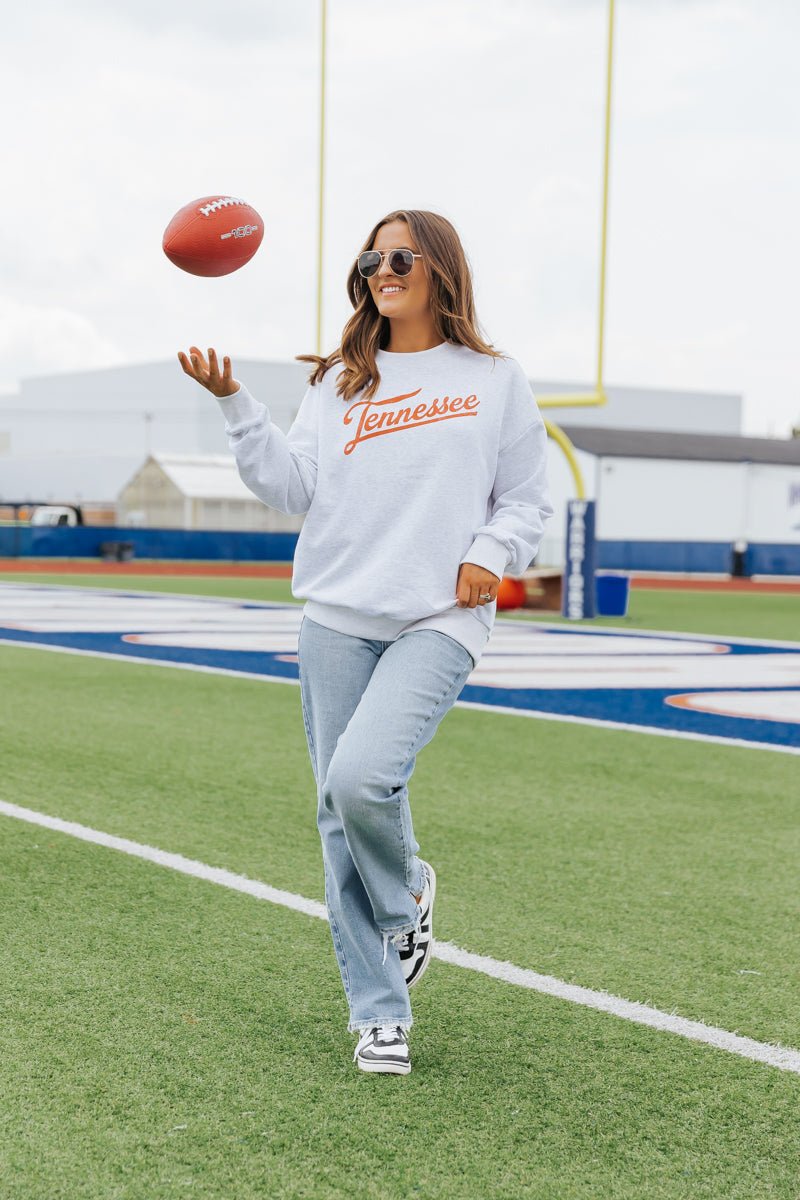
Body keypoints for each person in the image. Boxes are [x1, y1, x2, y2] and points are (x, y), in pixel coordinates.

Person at [178, 208, 553, 1075]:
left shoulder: (494, 379)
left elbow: (528, 498)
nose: (383, 269)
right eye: (371, 258)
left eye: (401, 257)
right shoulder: (340, 380)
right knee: (336, 815)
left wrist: (489, 554)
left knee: (361, 778)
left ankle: (407, 893)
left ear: (440, 271)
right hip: (337, 617)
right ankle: (379, 1013)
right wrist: (236, 407)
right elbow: (291, 487)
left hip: (440, 616)